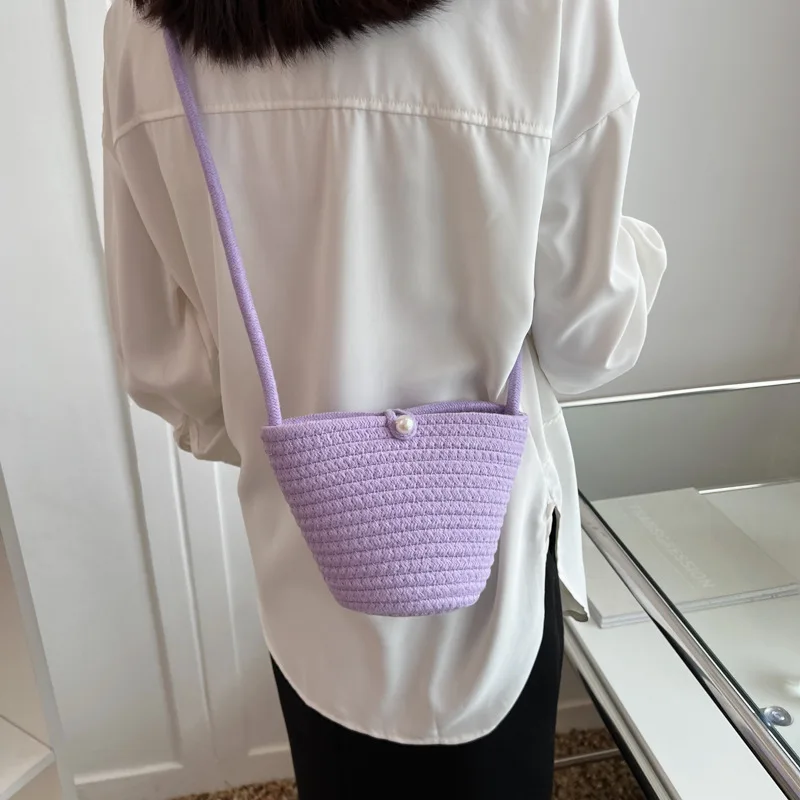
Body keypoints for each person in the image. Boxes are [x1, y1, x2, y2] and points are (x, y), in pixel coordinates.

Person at [103, 0, 666, 797]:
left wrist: (297, 447)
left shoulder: (145, 27)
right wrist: (643, 252)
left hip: (305, 552)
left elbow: (163, 362)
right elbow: (589, 341)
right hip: (495, 558)